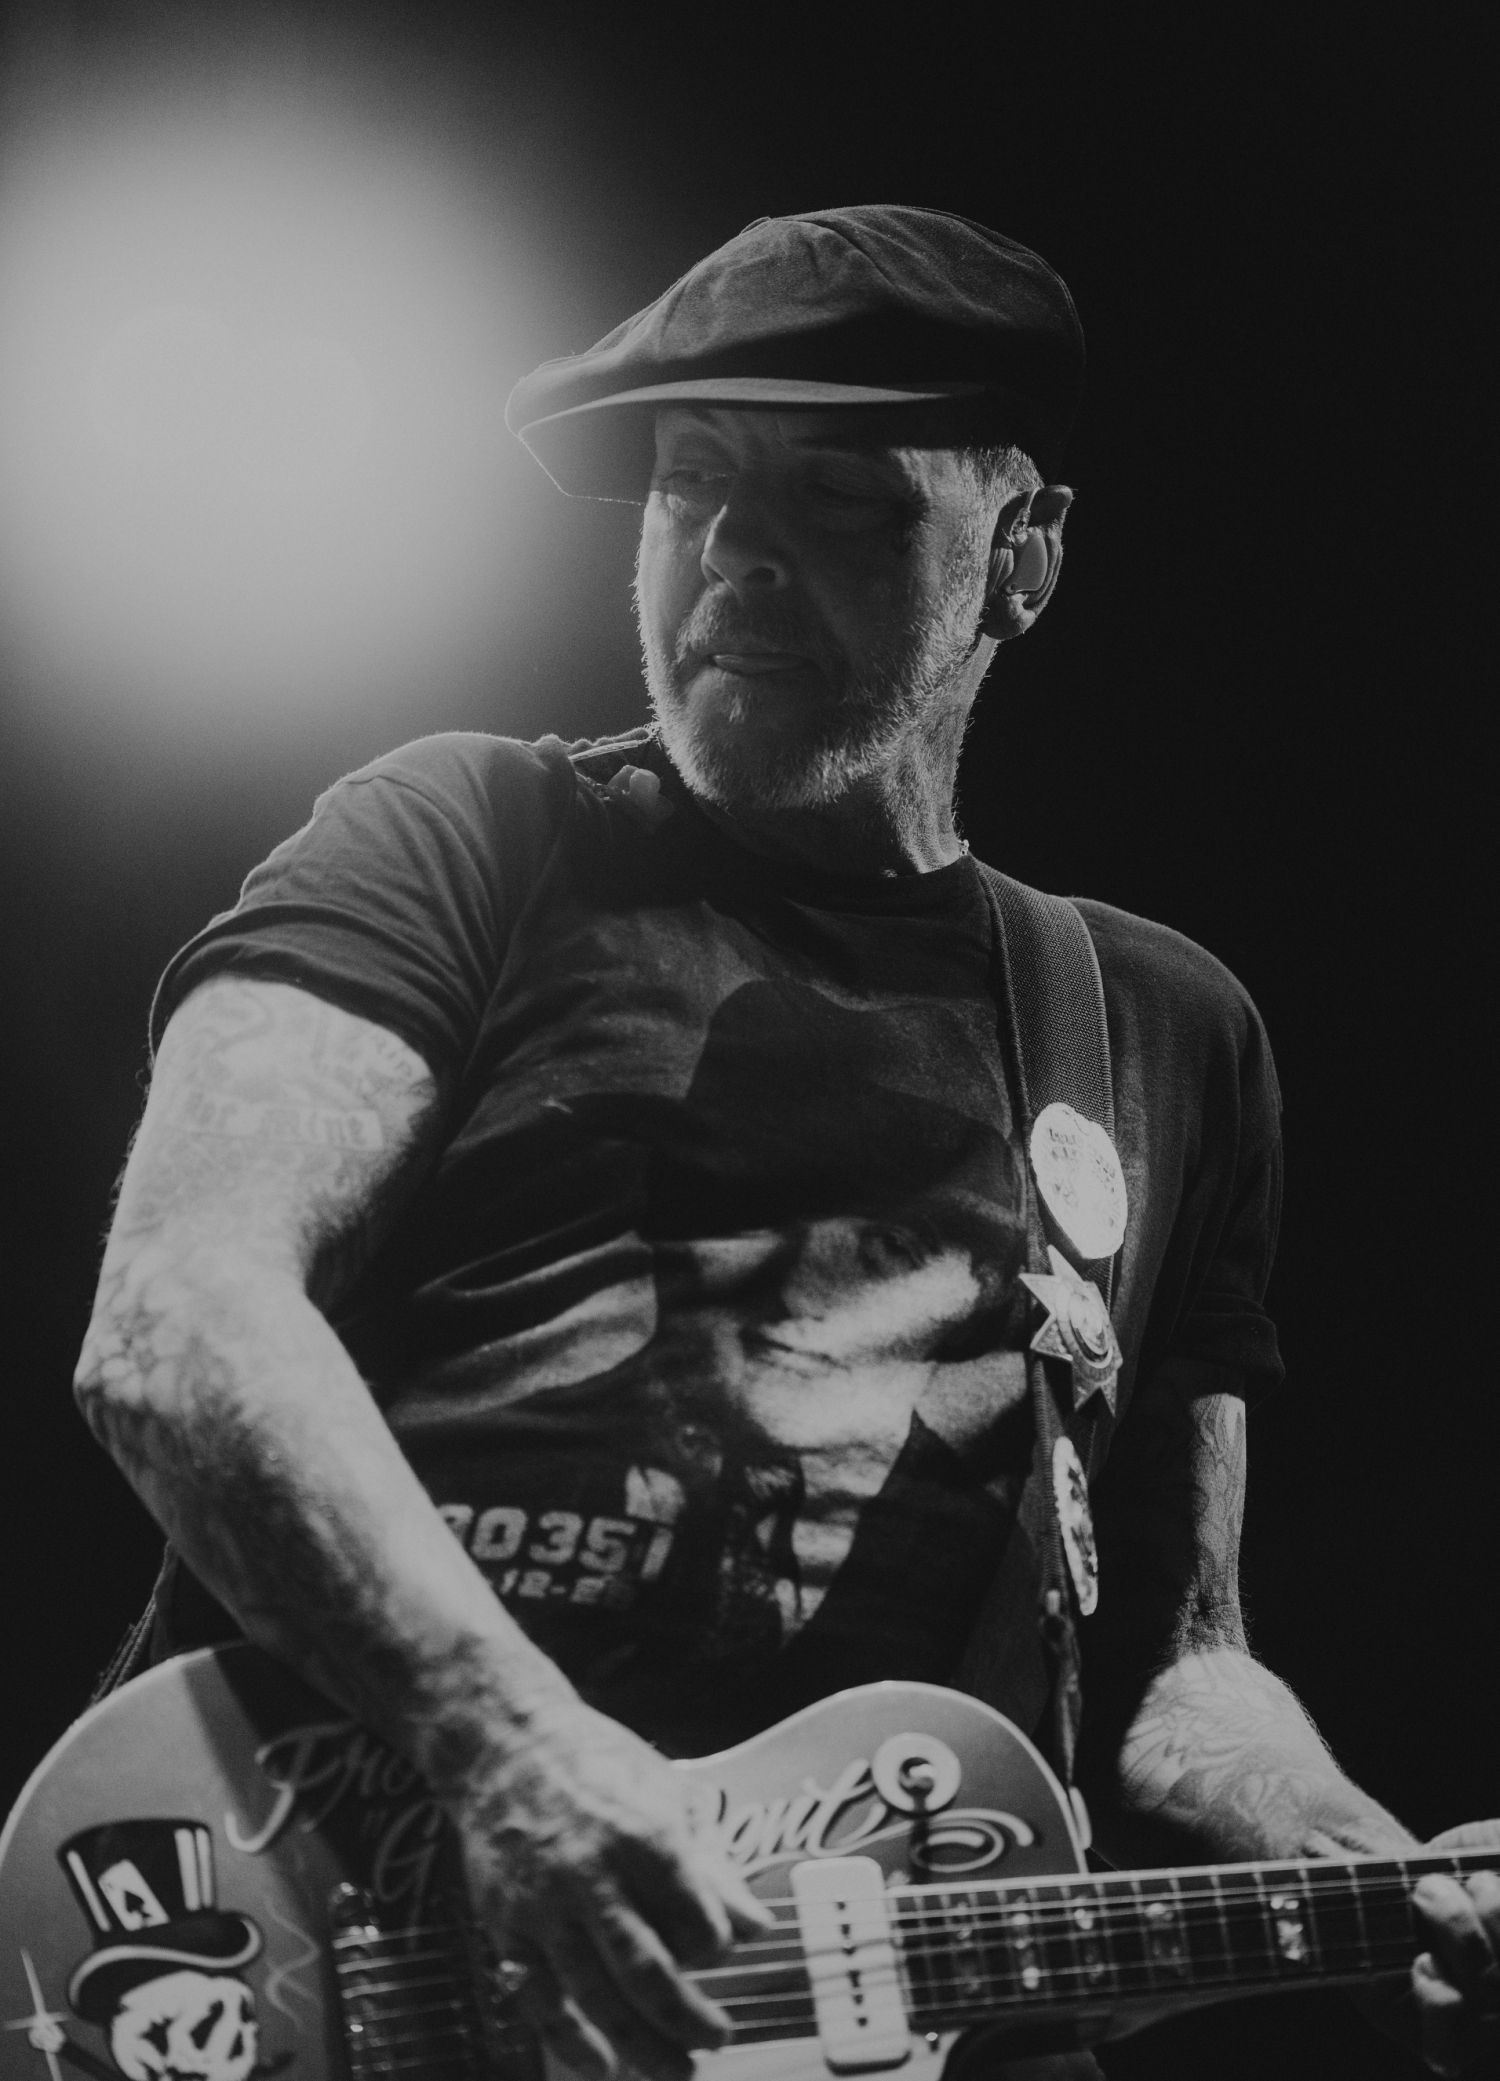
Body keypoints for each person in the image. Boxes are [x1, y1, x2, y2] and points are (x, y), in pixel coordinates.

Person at [74, 207, 1499, 2080]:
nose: (737, 551)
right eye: (692, 482)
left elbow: (1179, 1663)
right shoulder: (470, 839)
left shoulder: (1162, 1028)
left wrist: (1383, 1869)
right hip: (335, 1941)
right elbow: (177, 1320)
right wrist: (510, 1750)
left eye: (841, 498)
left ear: (1022, 558)